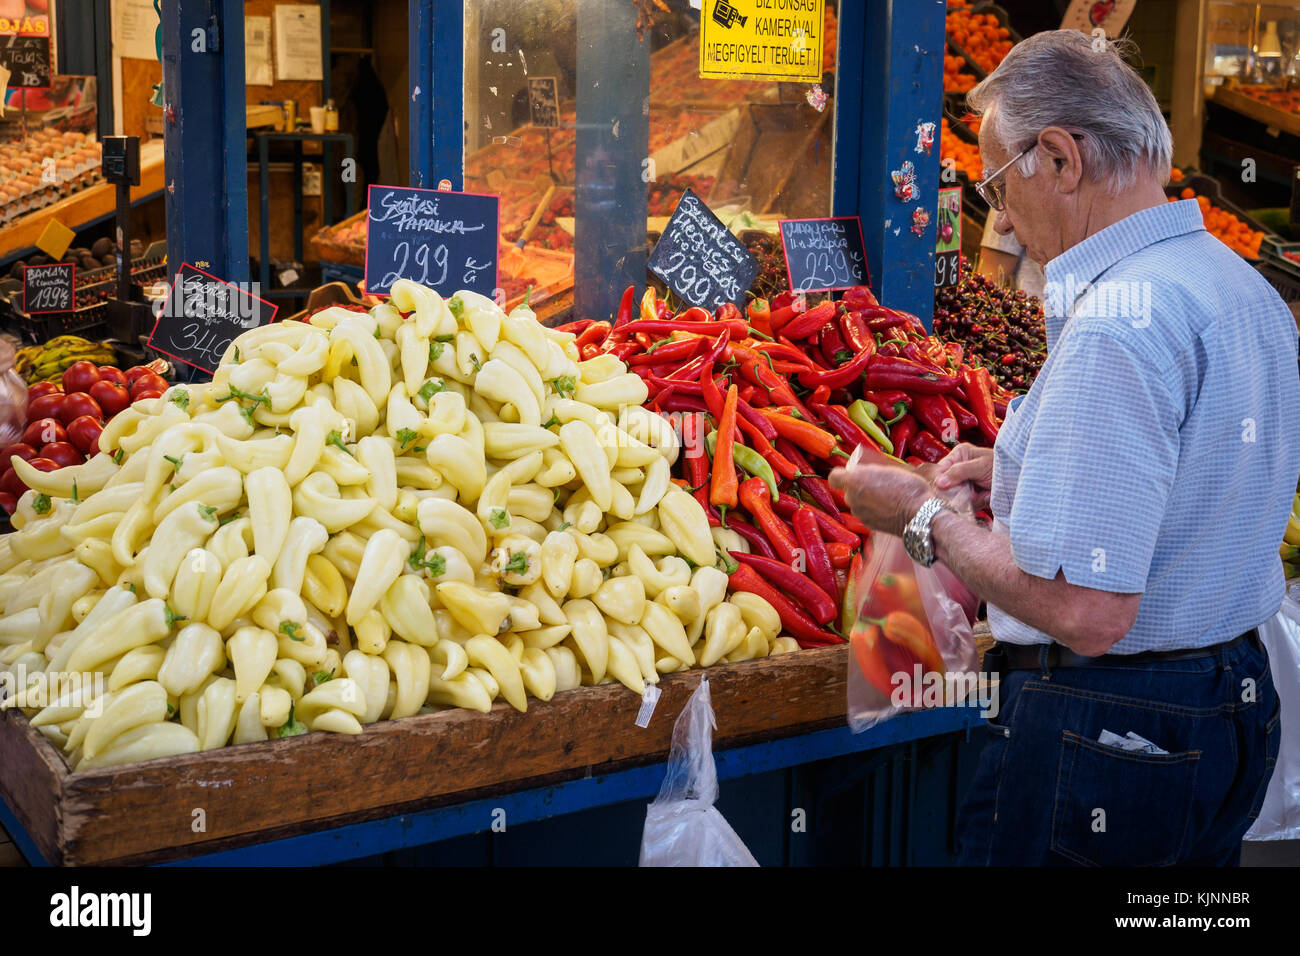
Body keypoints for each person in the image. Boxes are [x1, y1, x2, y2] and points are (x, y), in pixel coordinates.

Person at [831, 30, 1300, 866]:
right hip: (1233, 704)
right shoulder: (1241, 287)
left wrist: (923, 513)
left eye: (999, 186)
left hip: (1110, 732)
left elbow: (1088, 611)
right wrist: (1022, 461)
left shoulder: (1123, 323)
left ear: (1059, 156)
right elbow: (1186, 478)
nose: (1001, 217)